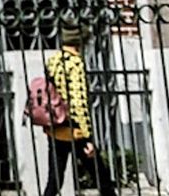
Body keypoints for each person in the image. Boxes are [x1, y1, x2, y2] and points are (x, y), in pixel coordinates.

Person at [42, 22, 117, 196]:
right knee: (101, 176)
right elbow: (78, 102)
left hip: (55, 127)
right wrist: (88, 137)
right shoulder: (75, 64)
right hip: (75, 130)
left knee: (54, 179)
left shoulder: (53, 61)